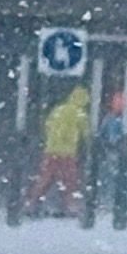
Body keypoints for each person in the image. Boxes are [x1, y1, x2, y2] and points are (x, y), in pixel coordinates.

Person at [26, 82, 90, 217]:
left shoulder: (58, 109)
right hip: (68, 152)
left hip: (51, 150)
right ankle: (70, 205)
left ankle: (33, 203)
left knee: (45, 178)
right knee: (69, 180)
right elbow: (87, 133)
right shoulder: (80, 114)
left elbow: (47, 126)